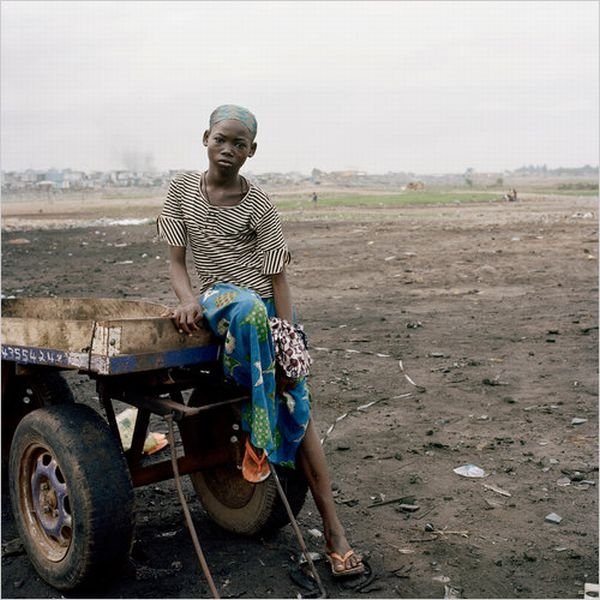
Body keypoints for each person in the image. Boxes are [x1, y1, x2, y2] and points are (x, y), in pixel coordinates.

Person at [157, 104, 364, 578]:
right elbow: (176, 262)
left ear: (252, 151)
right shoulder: (182, 191)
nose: (228, 150)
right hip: (217, 305)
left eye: (239, 144)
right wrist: (187, 300)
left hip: (263, 318)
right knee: (245, 304)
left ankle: (335, 531)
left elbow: (279, 280)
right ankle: (259, 428)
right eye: (221, 140)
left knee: (299, 405)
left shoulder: (260, 205)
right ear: (205, 138)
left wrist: (287, 337)